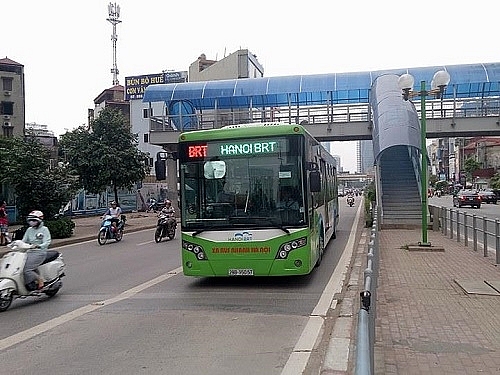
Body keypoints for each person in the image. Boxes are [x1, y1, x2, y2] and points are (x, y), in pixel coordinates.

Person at [22, 210, 51, 290]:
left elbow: (47, 241)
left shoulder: (44, 229)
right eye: (30, 220)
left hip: (39, 252)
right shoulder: (29, 230)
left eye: (34, 220)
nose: (32, 222)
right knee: (19, 267)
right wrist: (18, 244)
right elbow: (24, 240)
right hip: (29, 252)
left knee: (26, 270)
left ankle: (39, 279)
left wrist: (39, 246)